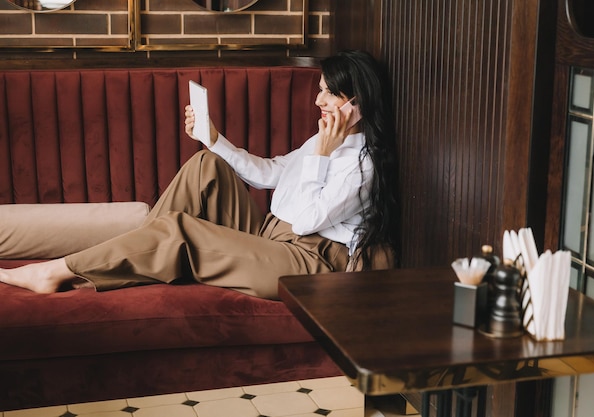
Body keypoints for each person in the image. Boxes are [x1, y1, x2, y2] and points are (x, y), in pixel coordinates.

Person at [0, 50, 400, 300]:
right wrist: (215, 139)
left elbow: (309, 220)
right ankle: (137, 254)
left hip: (308, 263)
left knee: (180, 230)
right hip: (272, 234)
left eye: (329, 93)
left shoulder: (363, 164)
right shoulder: (324, 138)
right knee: (206, 166)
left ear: (355, 104)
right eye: (320, 89)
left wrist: (322, 158)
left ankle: (55, 272)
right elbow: (271, 173)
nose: (318, 100)